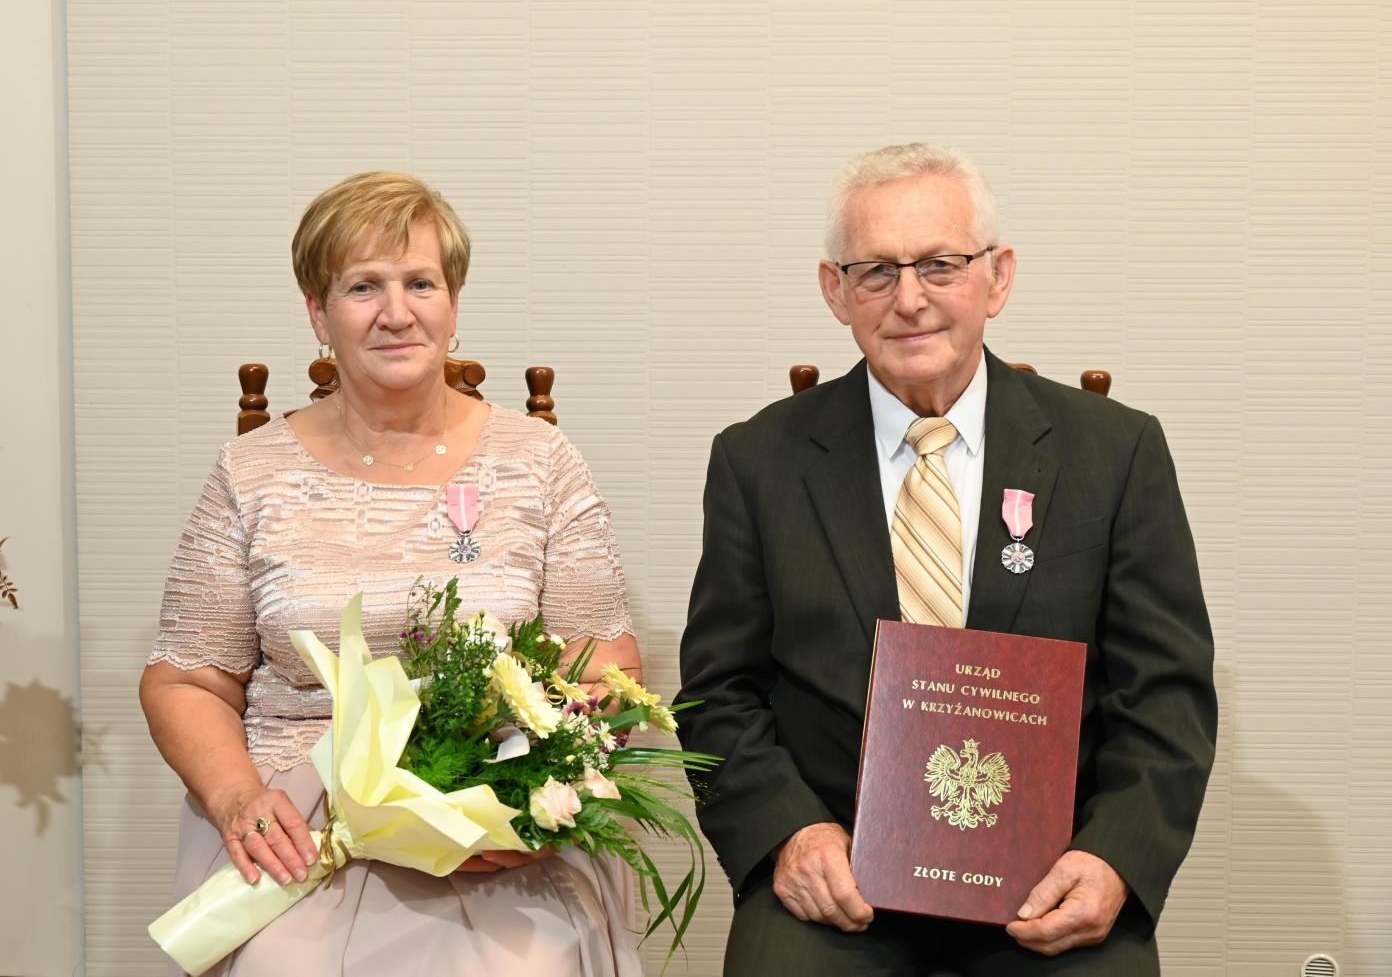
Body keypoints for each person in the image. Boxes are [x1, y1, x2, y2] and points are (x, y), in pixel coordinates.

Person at [677, 143, 1216, 975]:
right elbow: (719, 693)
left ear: (997, 278)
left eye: (940, 264)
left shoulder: (1116, 452)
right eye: (876, 272)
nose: (910, 300)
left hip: (1047, 875)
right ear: (835, 291)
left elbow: (1166, 695)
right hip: (843, 882)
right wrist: (789, 834)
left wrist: (1112, 859)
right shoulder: (759, 461)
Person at [141, 171, 644, 976]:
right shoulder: (250, 472)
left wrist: (535, 810)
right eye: (362, 287)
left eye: (421, 283)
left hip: (498, 832)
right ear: (318, 312)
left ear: (453, 303)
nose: (397, 312)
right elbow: (187, 680)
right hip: (309, 836)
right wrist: (240, 798)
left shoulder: (541, 462)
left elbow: (606, 667)